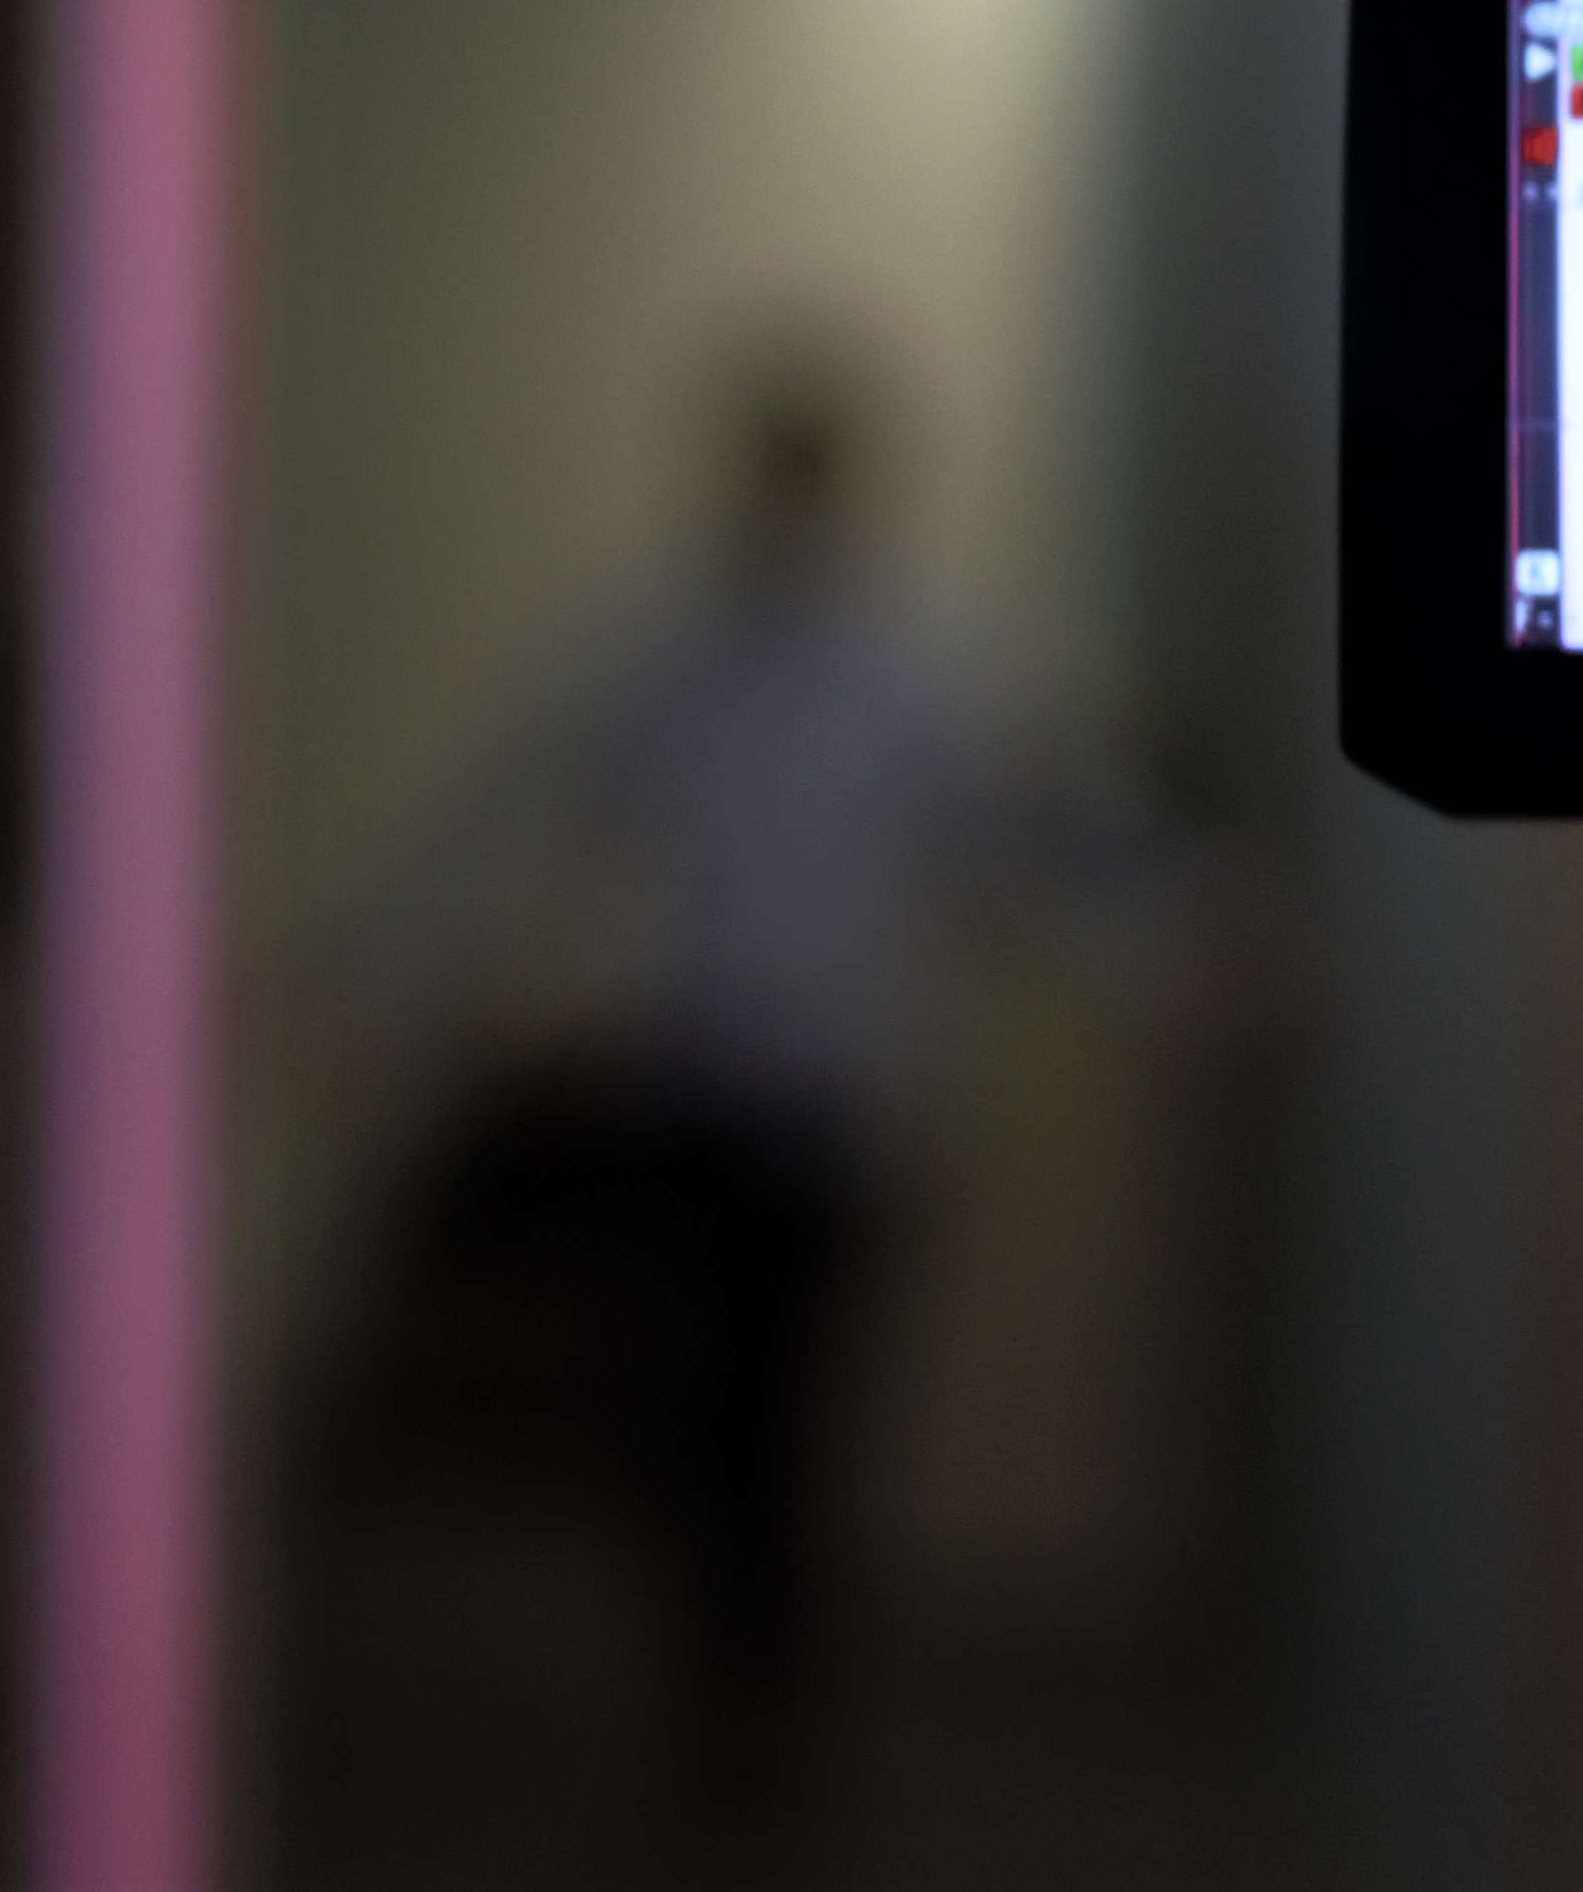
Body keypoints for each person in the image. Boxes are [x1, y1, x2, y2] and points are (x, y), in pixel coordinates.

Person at [359, 349, 1173, 1822]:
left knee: (798, 1423)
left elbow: (1047, 844)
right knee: (695, 1420)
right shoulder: (672, 664)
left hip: (845, 1124)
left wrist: (1191, 945)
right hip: (702, 1106)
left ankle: (775, 1717)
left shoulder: (911, 675)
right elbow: (515, 825)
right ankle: (726, 1704)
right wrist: (381, 977)